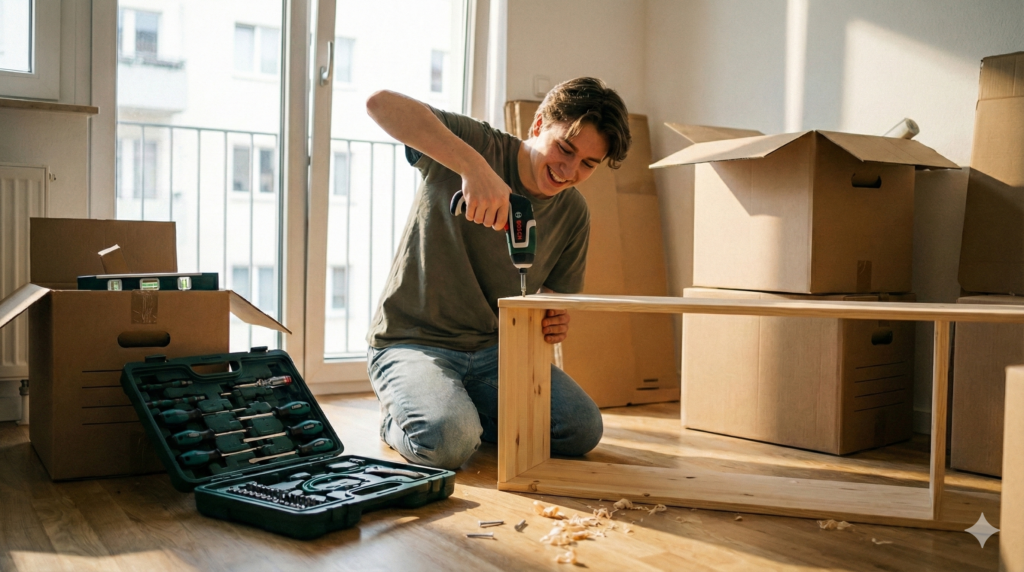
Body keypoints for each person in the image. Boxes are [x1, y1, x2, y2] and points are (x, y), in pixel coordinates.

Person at [364, 77, 631, 470]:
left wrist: (554, 319)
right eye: (565, 148)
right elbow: (379, 103)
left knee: (580, 429)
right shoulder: (480, 145)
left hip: (494, 353)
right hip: (413, 342)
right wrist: (474, 168)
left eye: (588, 164)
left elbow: (551, 301)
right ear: (539, 124)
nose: (569, 170)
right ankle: (402, 421)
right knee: (447, 444)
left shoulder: (574, 213)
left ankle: (458, 411)